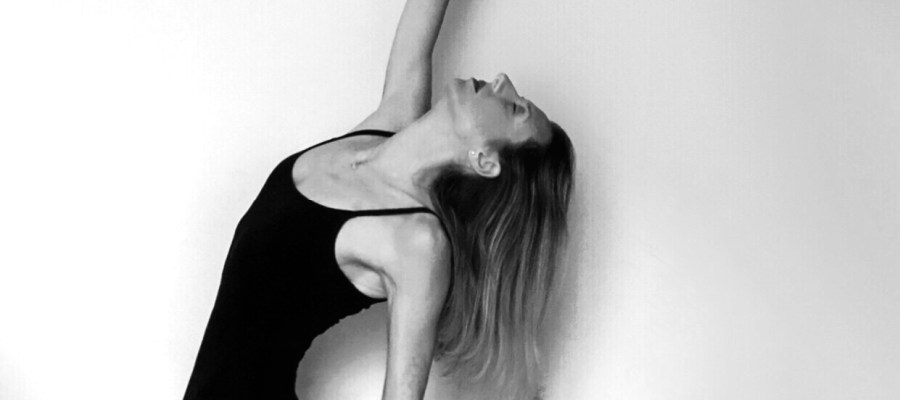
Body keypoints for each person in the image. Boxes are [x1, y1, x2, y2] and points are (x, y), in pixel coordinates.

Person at [183, 1, 575, 399]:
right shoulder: (388, 123)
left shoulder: (418, 240)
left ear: (486, 161)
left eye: (515, 108)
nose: (503, 81)